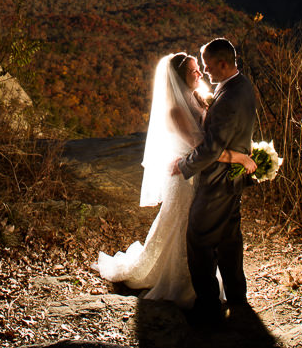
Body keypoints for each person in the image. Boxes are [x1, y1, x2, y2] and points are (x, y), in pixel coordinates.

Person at [96, 52, 256, 307]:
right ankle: (185, 283)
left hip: (198, 172)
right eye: (194, 71)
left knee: (199, 230)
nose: (199, 74)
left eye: (199, 69)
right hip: (184, 177)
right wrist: (239, 157)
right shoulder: (175, 110)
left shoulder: (197, 97)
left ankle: (206, 284)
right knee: (186, 228)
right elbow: (203, 147)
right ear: (181, 78)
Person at [175, 38, 257, 325]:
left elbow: (211, 148)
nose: (206, 72)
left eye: (208, 67)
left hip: (218, 184)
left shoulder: (229, 99)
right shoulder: (242, 85)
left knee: (198, 240)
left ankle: (208, 307)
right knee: (229, 240)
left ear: (223, 63)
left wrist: (184, 165)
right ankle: (237, 297)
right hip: (232, 182)